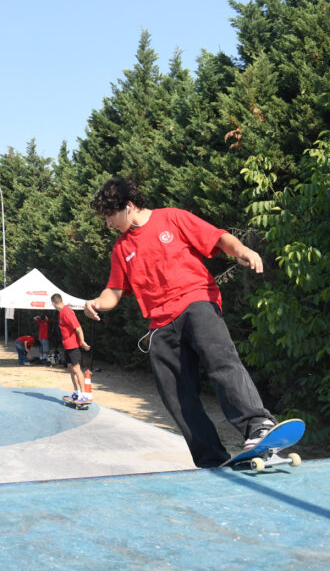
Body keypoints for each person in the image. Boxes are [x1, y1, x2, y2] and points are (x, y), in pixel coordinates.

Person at [83, 176, 277, 468]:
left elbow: (218, 237)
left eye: (110, 216)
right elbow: (114, 291)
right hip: (160, 324)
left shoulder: (172, 218)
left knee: (221, 362)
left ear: (129, 206)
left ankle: (258, 426)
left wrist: (242, 250)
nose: (108, 224)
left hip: (196, 302)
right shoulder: (121, 249)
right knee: (175, 394)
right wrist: (97, 303)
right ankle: (211, 458)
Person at [52, 294, 91, 405]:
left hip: (73, 345)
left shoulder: (67, 312)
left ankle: (84, 395)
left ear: (53, 303)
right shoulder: (61, 312)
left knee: (77, 369)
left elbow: (78, 328)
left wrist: (82, 342)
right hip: (67, 345)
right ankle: (76, 393)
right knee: (70, 368)